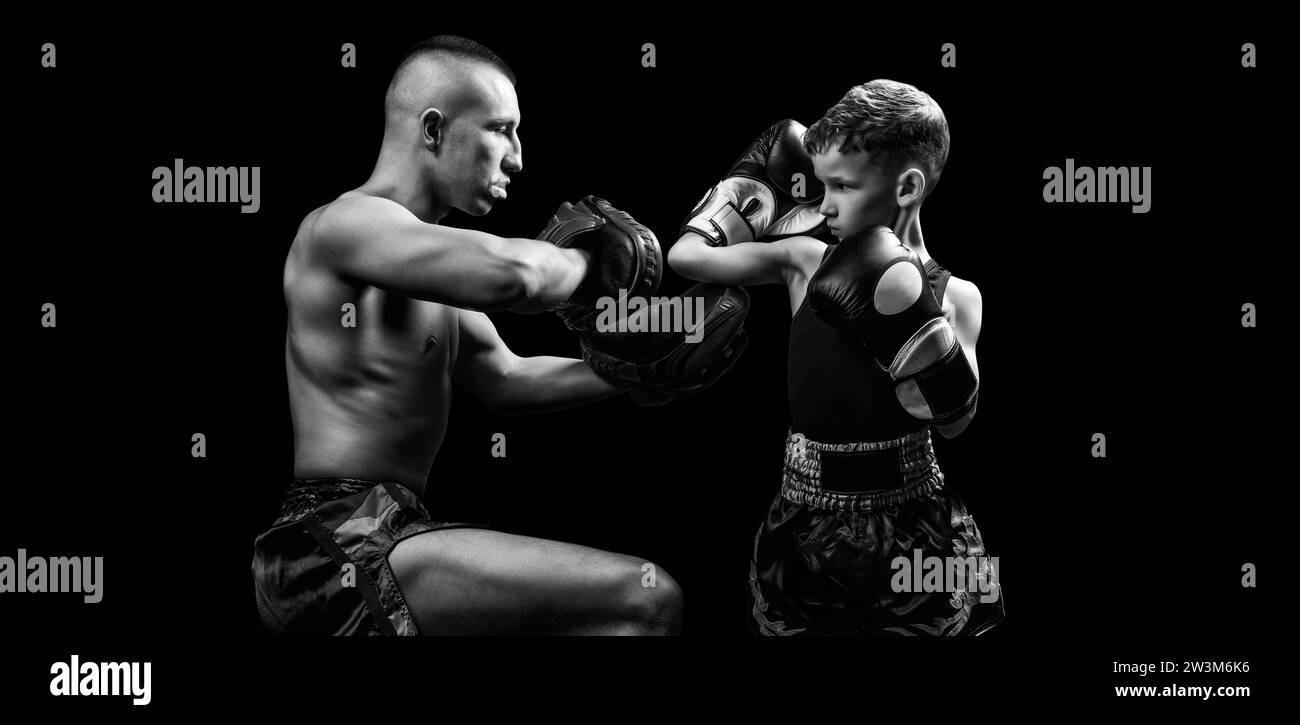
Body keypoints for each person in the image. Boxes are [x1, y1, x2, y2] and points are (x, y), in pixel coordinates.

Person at [252, 36, 746, 635]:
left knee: (619, 613)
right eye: (500, 129)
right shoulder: (344, 225)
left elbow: (507, 379)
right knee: (645, 599)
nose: (516, 158)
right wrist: (595, 265)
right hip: (330, 541)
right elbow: (514, 277)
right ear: (433, 130)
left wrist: (648, 364)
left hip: (396, 531)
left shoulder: (426, 269)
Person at [668, 79, 1004, 635]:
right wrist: (744, 193)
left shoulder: (956, 296)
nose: (823, 204)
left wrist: (919, 327)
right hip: (804, 515)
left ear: (907, 187)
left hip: (917, 526)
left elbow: (957, 423)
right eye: (821, 184)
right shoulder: (806, 259)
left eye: (842, 187)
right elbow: (687, 258)